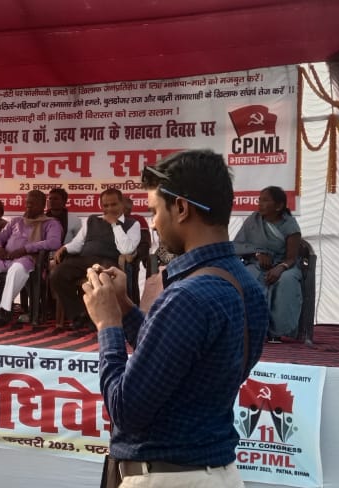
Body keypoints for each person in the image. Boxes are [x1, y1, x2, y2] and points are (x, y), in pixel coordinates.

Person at [82, 149, 268, 488]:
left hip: (167, 478)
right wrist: (124, 307)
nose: (153, 223)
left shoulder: (187, 296)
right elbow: (176, 356)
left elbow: (124, 410)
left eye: (154, 211)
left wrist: (107, 324)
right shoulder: (248, 287)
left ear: (181, 208)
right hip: (216, 473)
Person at [49, 189, 140, 330]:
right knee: (57, 275)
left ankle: (96, 318)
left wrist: (115, 225)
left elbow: (126, 249)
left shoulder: (132, 224)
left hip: (109, 262)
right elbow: (78, 243)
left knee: (99, 276)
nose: (109, 209)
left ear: (122, 204)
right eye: (106, 205)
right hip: (84, 259)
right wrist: (65, 248)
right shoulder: (92, 220)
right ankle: (80, 314)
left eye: (114, 204)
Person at [0, 190, 61, 327]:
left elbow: (54, 242)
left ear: (42, 205)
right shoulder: (16, 221)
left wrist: (26, 249)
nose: (29, 206)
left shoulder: (51, 223)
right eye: (27, 203)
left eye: (33, 203)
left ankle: (4, 310)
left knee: (16, 269)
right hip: (5, 258)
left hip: (27, 259)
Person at [233, 186, 303, 342]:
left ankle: (279, 332)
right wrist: (257, 253)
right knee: (247, 278)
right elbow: (236, 245)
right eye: (259, 200)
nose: (260, 204)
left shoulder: (290, 225)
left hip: (285, 266)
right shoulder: (253, 220)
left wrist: (280, 268)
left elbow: (292, 258)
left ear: (279, 206)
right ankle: (252, 330)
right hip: (256, 264)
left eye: (265, 200)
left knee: (287, 281)